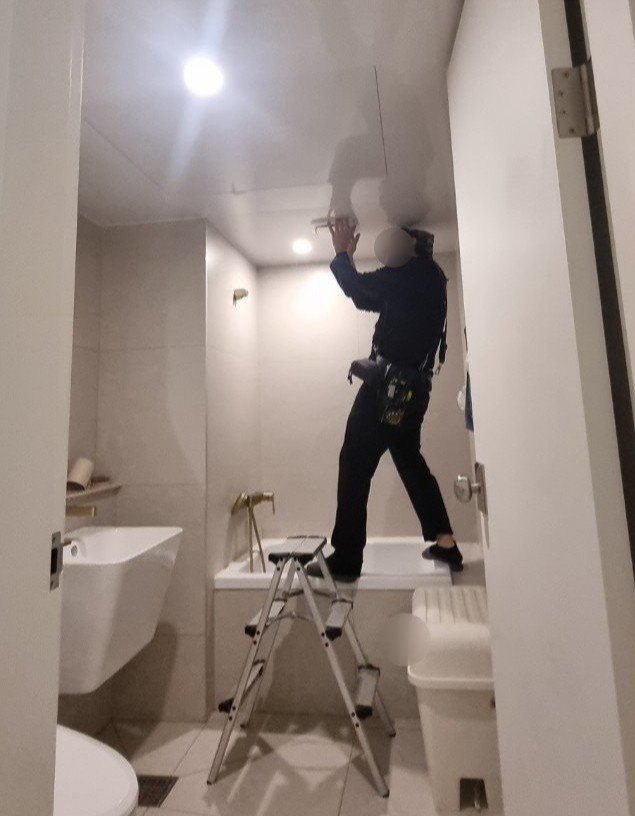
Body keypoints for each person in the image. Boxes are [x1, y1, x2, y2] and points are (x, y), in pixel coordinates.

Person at [307, 218, 463, 582]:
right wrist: (349, 259)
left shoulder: (407, 275)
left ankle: (346, 559)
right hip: (414, 391)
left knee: (355, 463)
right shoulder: (432, 277)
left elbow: (356, 287)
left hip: (387, 390)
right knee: (409, 460)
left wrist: (342, 251)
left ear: (407, 249)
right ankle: (445, 542)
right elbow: (367, 298)